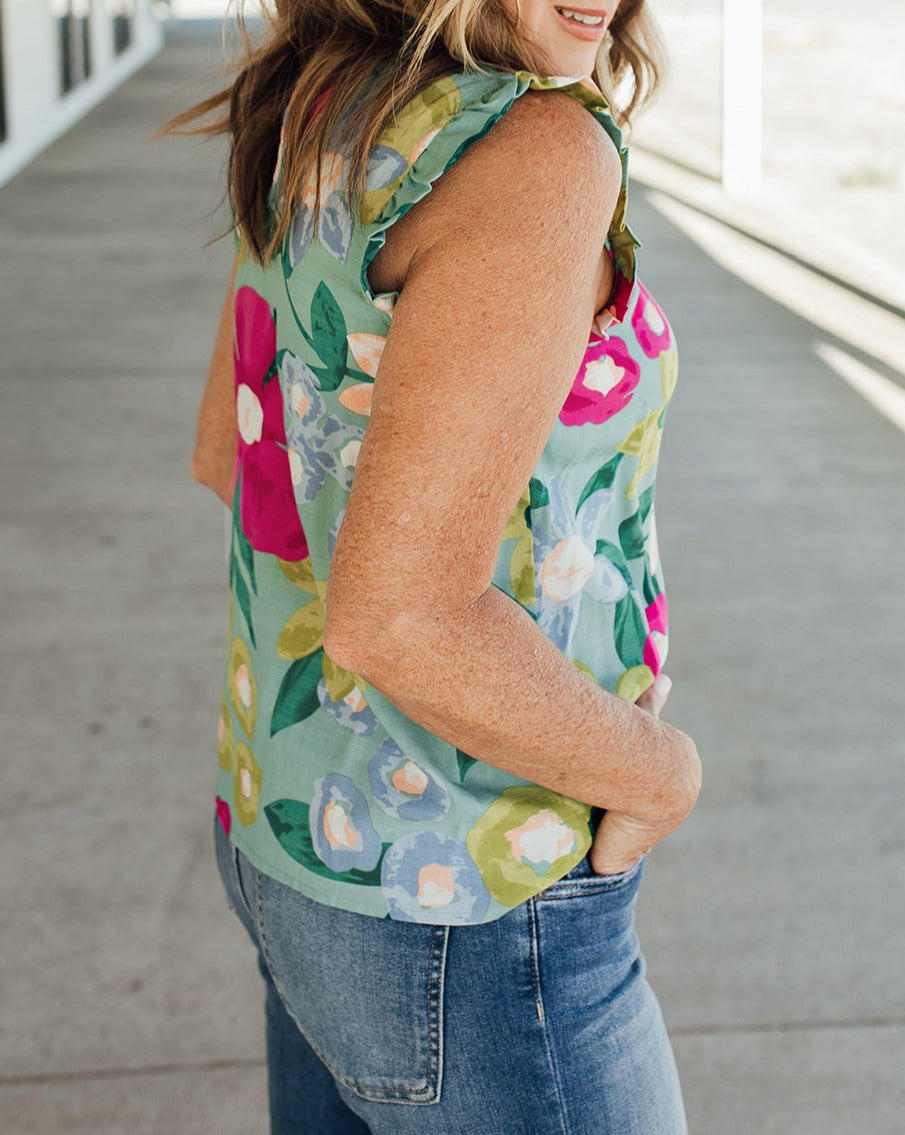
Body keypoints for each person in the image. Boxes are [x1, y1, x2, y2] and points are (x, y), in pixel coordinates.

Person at [173, 1, 702, 1131]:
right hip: (472, 887)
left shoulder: (316, 102)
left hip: (290, 841)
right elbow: (402, 619)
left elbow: (235, 455)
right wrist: (658, 771)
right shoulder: (535, 152)